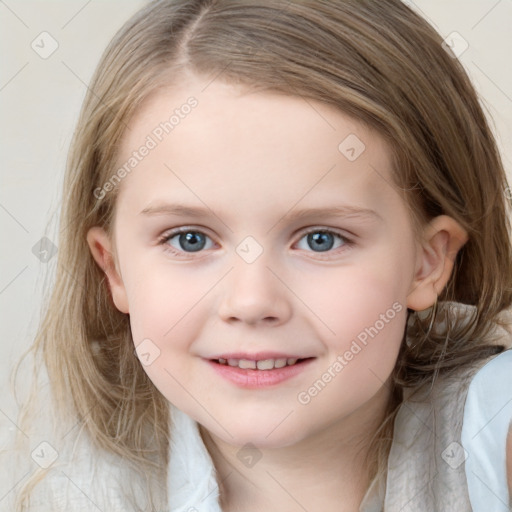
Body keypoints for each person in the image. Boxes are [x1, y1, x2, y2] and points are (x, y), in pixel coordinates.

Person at [4, 0, 512, 511]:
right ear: (113, 268)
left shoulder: (496, 435)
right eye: (190, 239)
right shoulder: (70, 482)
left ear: (427, 262)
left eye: (321, 239)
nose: (251, 302)